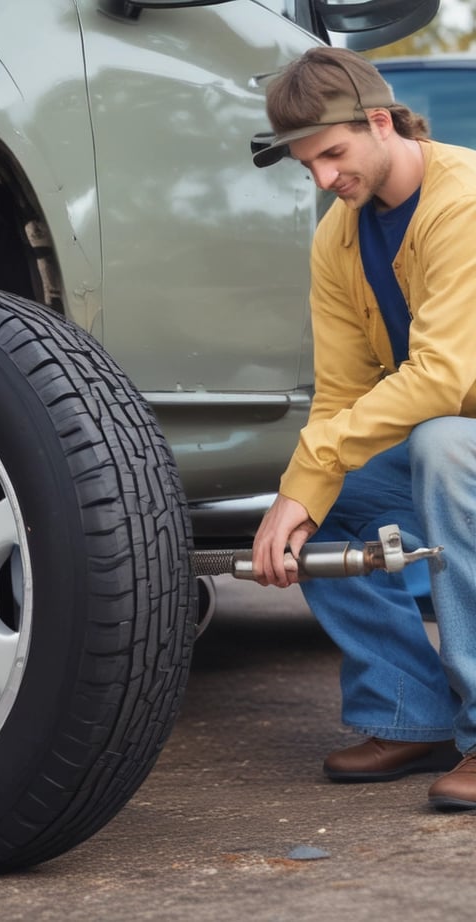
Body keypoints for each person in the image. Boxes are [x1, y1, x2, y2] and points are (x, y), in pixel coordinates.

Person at [251, 45, 476, 808]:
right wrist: (303, 491)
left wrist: (316, 460)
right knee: (326, 496)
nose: (323, 179)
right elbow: (342, 394)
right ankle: (409, 714)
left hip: (461, 440)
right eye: (307, 163)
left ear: (380, 121)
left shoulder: (464, 201)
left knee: (444, 444)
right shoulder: (339, 238)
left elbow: (443, 378)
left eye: (334, 154)